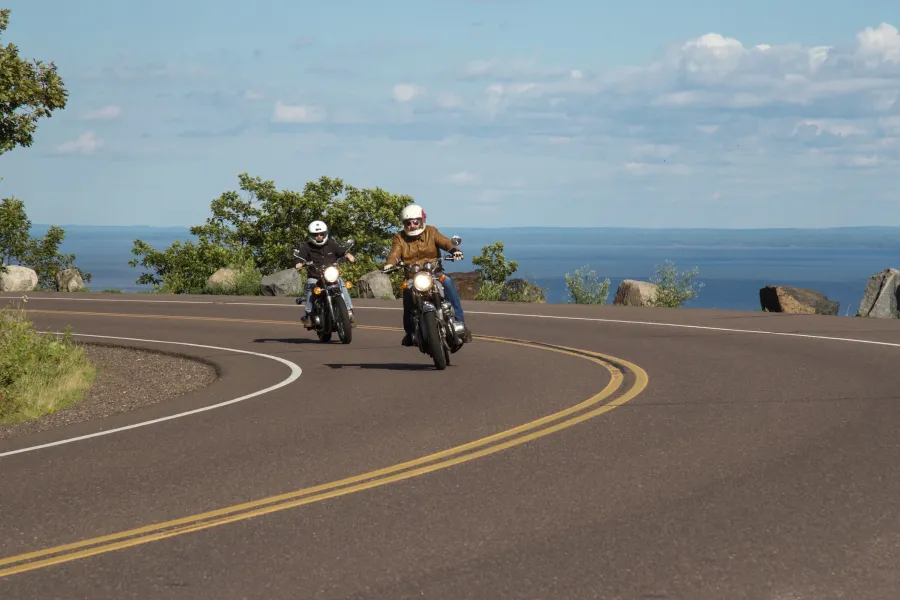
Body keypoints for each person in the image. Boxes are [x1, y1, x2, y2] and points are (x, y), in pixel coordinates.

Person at [383, 203, 472, 346]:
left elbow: (445, 242)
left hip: (434, 273)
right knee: (407, 292)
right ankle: (410, 331)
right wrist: (390, 263)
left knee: (447, 282)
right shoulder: (399, 237)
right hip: (413, 277)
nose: (412, 225)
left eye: (415, 222)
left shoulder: (431, 231)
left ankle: (460, 324)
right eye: (408, 223)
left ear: (422, 220)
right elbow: (394, 253)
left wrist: (455, 250)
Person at [294, 220, 356, 326]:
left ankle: (349, 312)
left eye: (321, 234)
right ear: (311, 235)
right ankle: (309, 315)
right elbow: (299, 257)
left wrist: (348, 255)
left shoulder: (331, 243)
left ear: (325, 233)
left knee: (341, 284)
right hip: (315, 276)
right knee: (310, 286)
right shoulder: (307, 247)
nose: (319, 236)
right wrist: (299, 264)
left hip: (330, 276)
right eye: (316, 234)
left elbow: (341, 251)